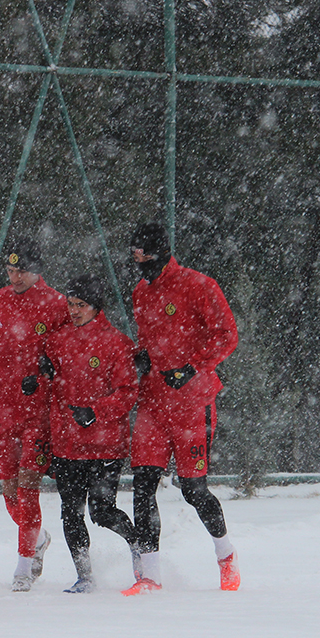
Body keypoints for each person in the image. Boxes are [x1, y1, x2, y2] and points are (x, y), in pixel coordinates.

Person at [127, 222, 240, 594]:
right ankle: (151, 576)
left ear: (160, 254)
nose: (140, 267)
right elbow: (147, 340)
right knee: (143, 487)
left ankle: (226, 556)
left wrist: (192, 367)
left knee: (193, 490)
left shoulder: (199, 285)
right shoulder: (140, 292)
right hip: (153, 405)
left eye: (145, 258)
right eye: (135, 259)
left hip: (193, 403)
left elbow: (227, 334)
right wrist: (140, 358)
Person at [0, 238, 70, 591]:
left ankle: (24, 564)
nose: (14, 277)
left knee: (28, 488)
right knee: (9, 491)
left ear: (36, 269)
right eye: (10, 271)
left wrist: (46, 367)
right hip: (1, 410)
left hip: (39, 413)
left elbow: (71, 347)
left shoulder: (56, 304)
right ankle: (37, 539)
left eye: (21, 270)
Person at [40, 274, 140, 593]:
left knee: (101, 510)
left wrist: (95, 411)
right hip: (67, 444)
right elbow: (52, 383)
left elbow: (127, 393)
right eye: (70, 304)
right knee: (70, 512)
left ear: (97, 307)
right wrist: (39, 376)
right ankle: (85, 575)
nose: (74, 310)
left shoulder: (117, 343)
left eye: (81, 304)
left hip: (105, 445)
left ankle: (139, 547)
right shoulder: (56, 341)